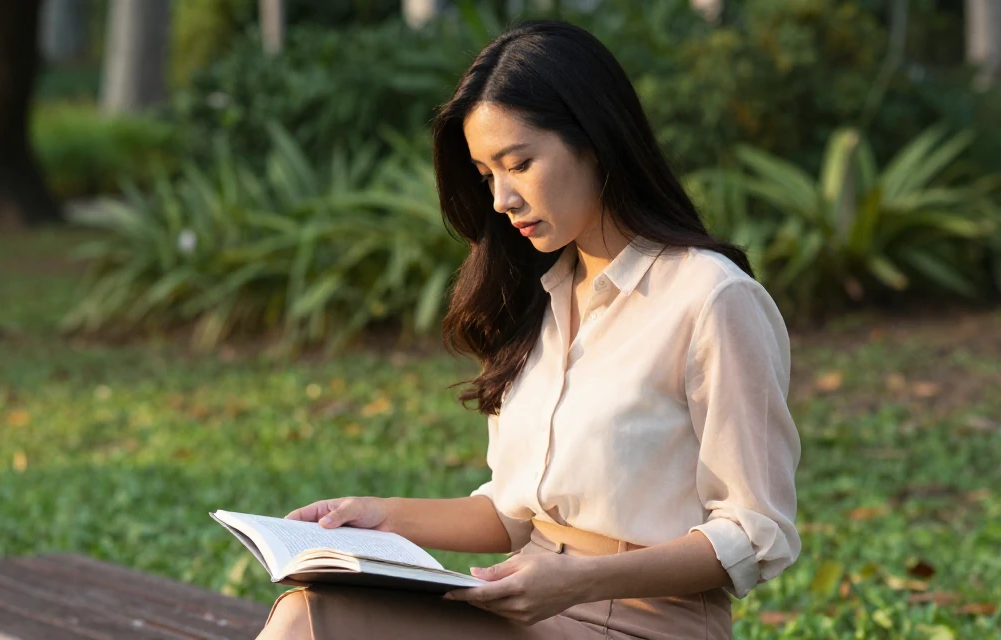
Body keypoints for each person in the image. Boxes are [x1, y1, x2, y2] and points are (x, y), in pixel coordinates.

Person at [259, 19, 800, 640]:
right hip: (527, 607)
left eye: (519, 164)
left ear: (594, 141)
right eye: (487, 174)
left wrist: (577, 582)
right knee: (312, 611)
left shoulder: (712, 297)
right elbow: (512, 515)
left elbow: (757, 531)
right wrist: (381, 517)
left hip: (647, 626)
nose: (500, 199)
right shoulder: (538, 301)